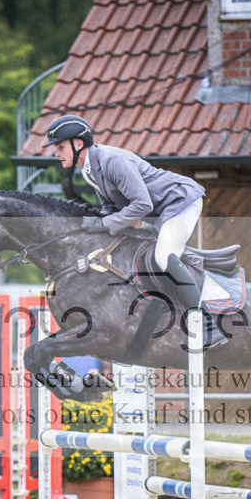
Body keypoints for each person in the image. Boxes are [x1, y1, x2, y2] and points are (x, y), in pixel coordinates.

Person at [44, 114, 227, 348]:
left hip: (180, 202)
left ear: (78, 144)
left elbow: (142, 205)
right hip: (161, 210)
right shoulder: (89, 169)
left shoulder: (111, 161)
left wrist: (105, 224)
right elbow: (111, 207)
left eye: (60, 147)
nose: (56, 153)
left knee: (163, 257)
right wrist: (97, 225)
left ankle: (208, 324)